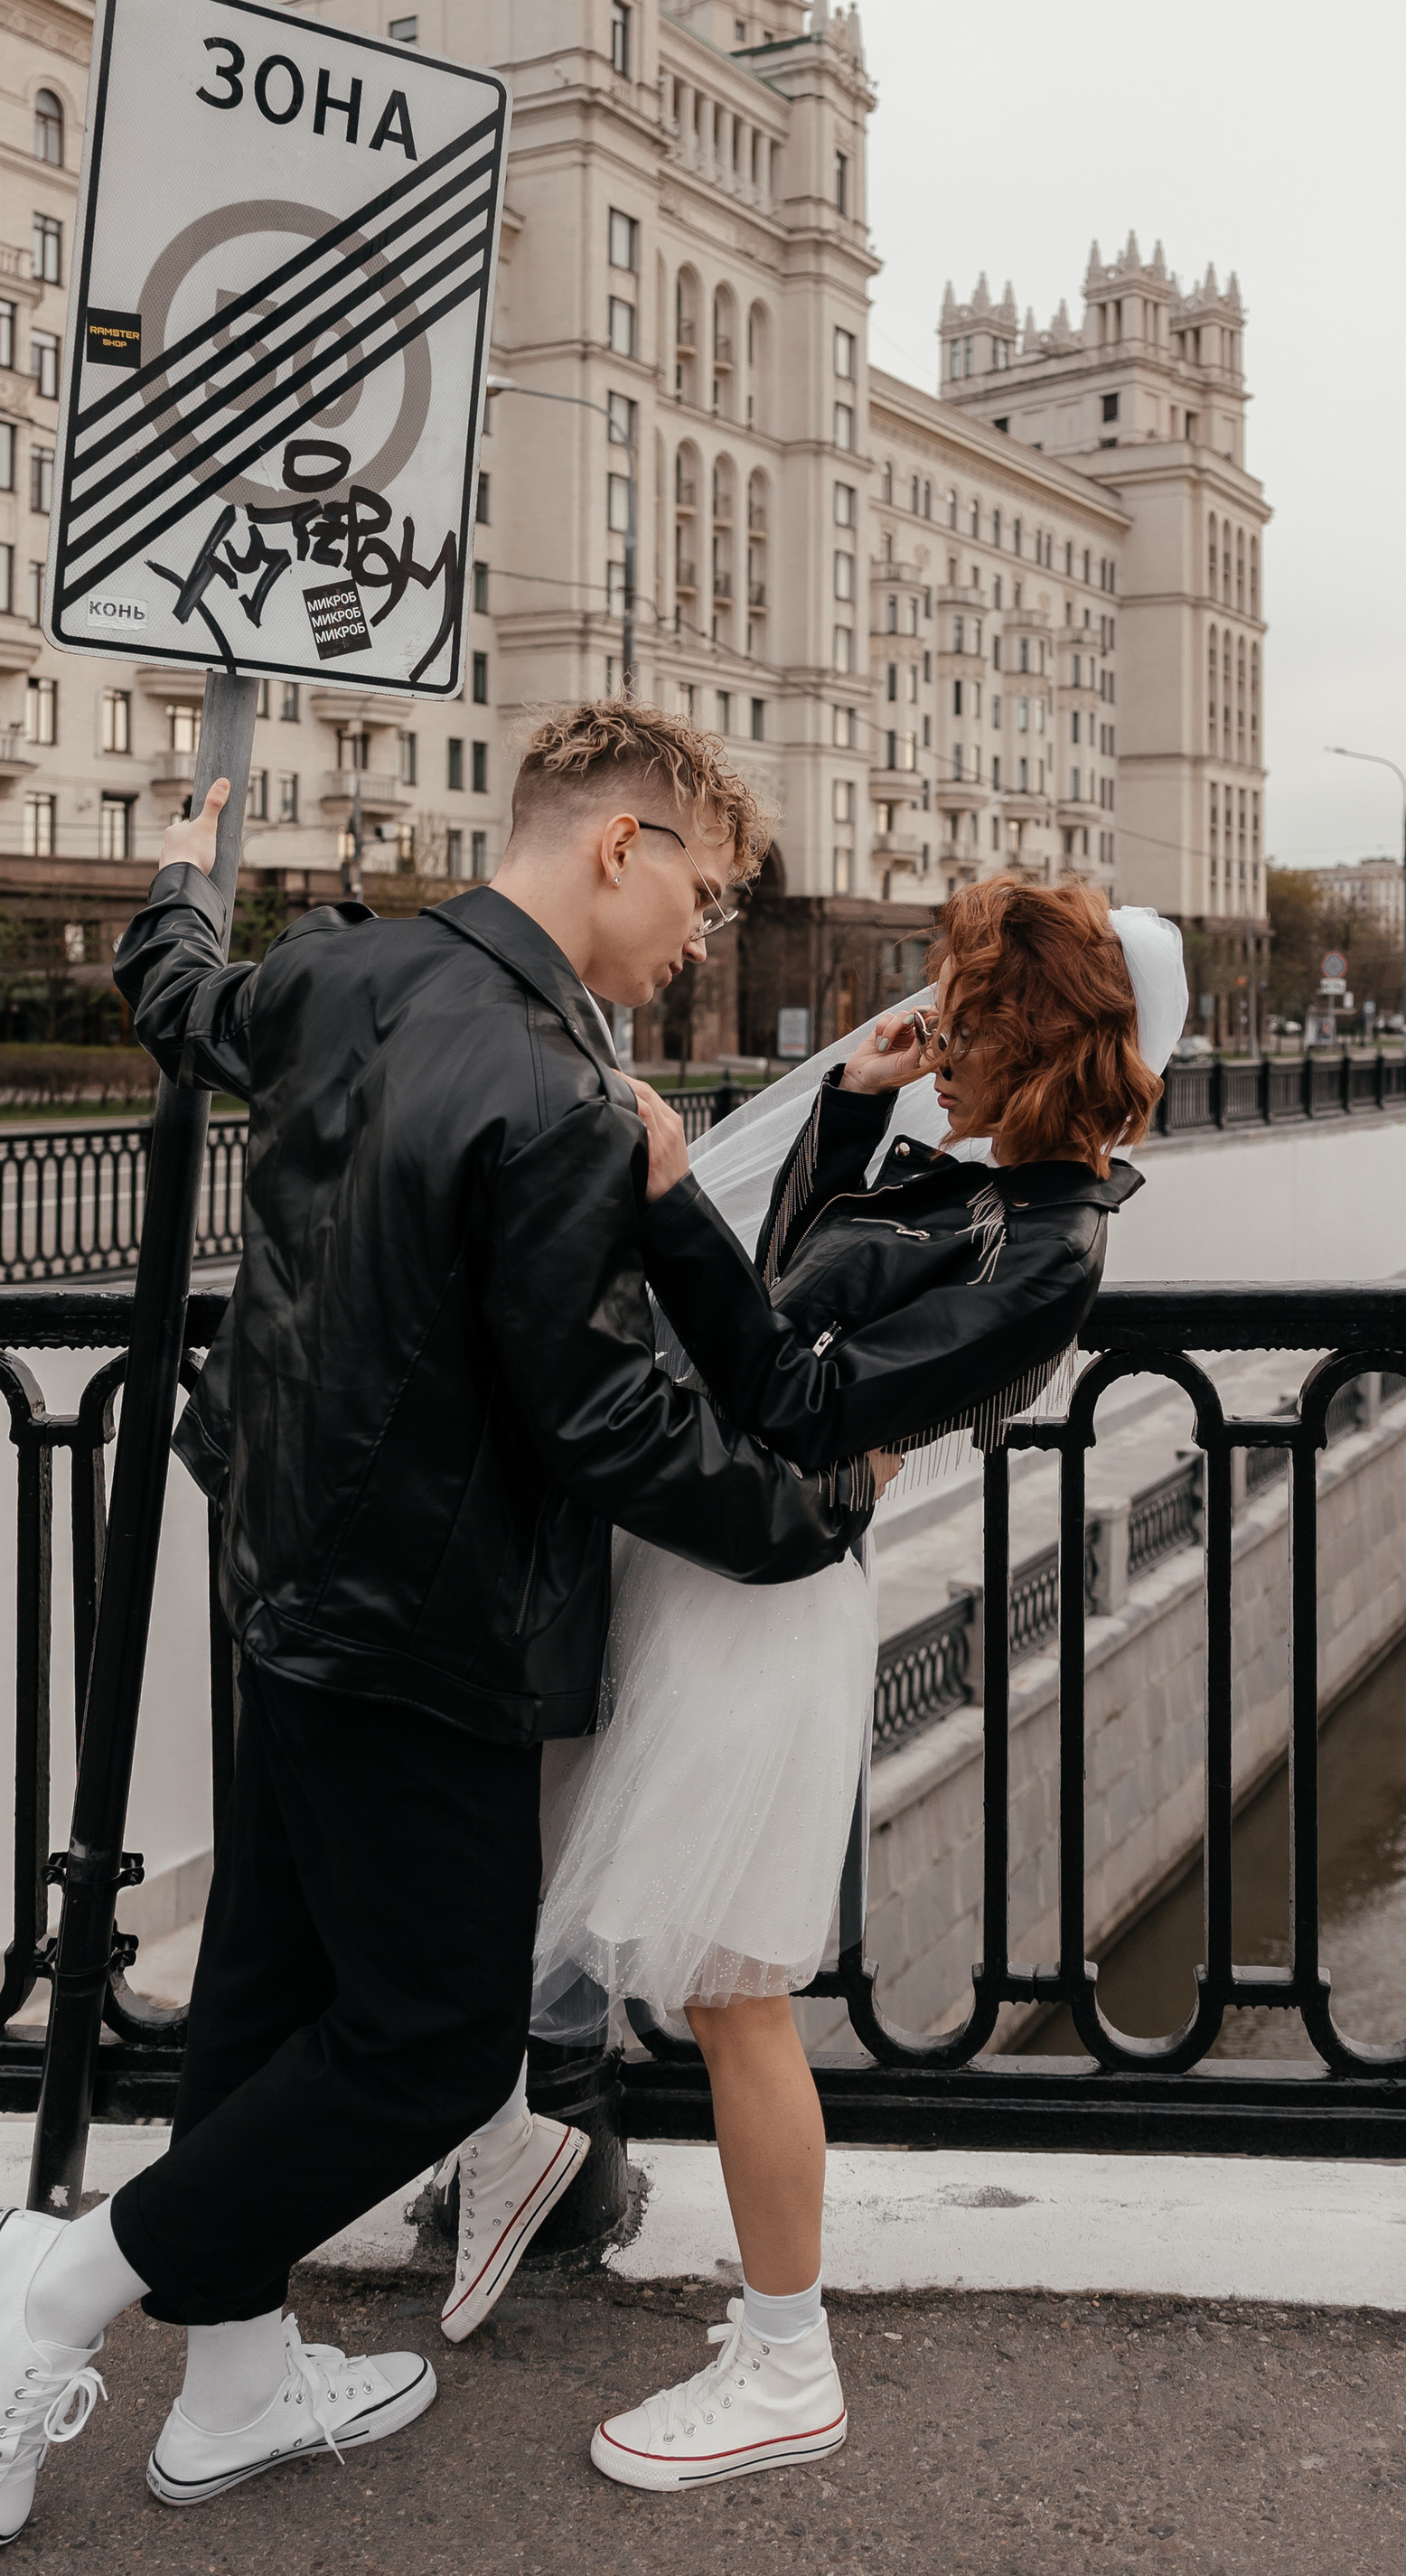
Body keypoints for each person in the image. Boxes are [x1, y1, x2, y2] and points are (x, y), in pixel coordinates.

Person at [0, 703, 860, 2553]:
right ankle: (63, 2283)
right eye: (704, 890)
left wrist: (182, 879)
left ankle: (235, 2375)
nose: (705, 937)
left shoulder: (337, 978)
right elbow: (600, 1419)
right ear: (619, 845)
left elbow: (179, 995)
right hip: (432, 1628)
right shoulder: (556, 1089)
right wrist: (806, 1514)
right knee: (437, 2048)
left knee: (269, 1997)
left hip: (277, 1573)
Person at [478, 873, 1180, 2492]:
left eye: (966, 1005)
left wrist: (663, 1199)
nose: (940, 1028)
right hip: (711, 1570)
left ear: (1033, 1029)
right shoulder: (968, 1181)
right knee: (661, 1957)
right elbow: (793, 1283)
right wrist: (855, 1119)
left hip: (769, 1601)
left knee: (734, 1993)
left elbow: (791, 1389)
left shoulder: (1053, 1247)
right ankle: (562, 2184)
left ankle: (789, 2359)